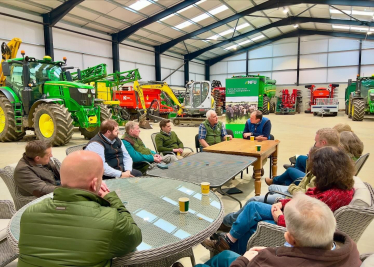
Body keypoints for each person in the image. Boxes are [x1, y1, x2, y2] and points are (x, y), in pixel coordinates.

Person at [202, 146, 355, 256]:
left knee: (252, 209)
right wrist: (282, 204)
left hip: (293, 222)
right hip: (295, 213)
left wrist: (280, 217)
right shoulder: (338, 186)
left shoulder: (331, 196)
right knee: (253, 207)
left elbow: (307, 225)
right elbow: (307, 200)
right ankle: (228, 240)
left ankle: (226, 243)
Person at [18, 150, 142, 267]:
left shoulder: (30, 212)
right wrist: (110, 198)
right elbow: (134, 236)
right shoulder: (110, 220)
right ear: (94, 184)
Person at [173, 194, 361, 267]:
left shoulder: (268, 261)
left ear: (289, 237)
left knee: (218, 261)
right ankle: (225, 243)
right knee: (224, 255)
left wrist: (245, 259)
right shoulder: (351, 251)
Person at [265, 128, 339, 186]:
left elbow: (314, 172)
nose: (315, 145)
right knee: (300, 158)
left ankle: (275, 181)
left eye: (316, 142)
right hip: (314, 173)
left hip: (314, 182)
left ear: (323, 143)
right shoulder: (335, 151)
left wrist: (311, 157)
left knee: (290, 170)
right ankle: (291, 180)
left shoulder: (325, 157)